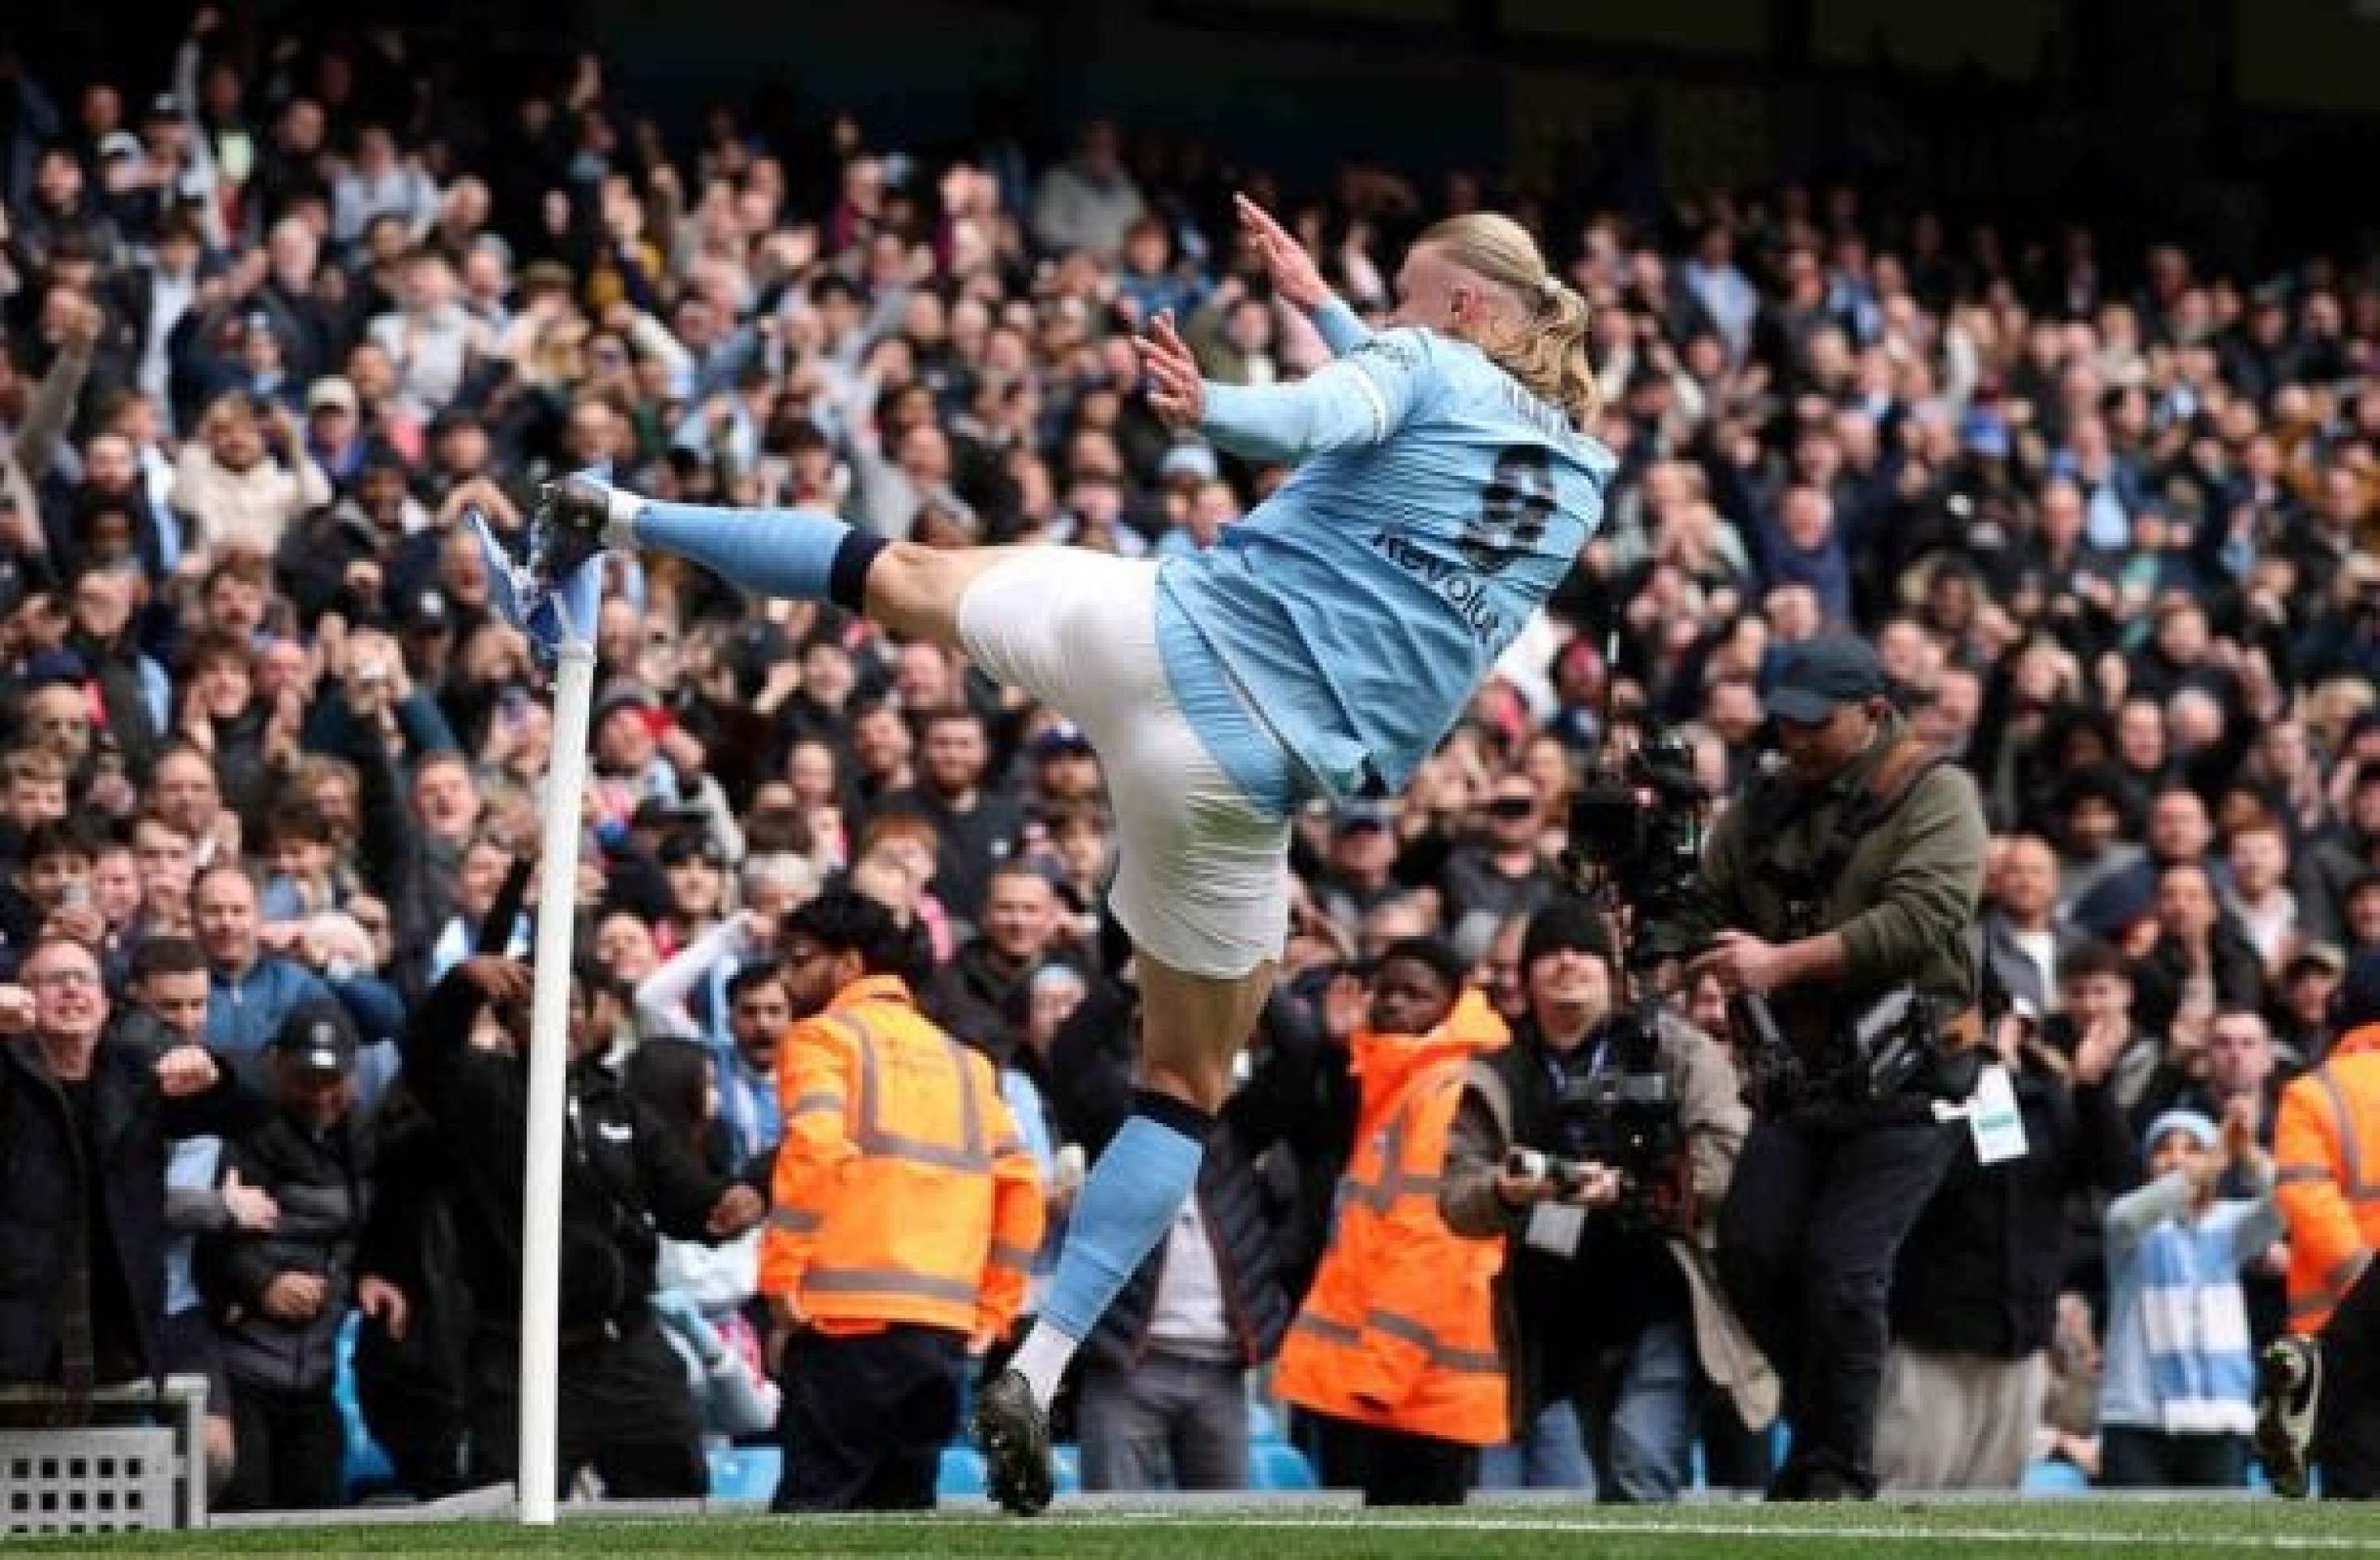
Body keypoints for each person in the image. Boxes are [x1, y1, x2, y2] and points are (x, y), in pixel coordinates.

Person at [525, 194, 1610, 1512]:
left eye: (1397, 297)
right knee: (1181, 1086)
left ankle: (617, 514)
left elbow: (1327, 413)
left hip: (1153, 633)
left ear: (1457, 309)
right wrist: (1319, 302)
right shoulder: (1575, 477)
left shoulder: (1423, 361)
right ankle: (1035, 1367)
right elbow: (1411, 416)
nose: (1376, 317)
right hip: (1237, 777)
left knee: (897, 573)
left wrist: (1208, 404)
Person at [1681, 632, 1990, 1500]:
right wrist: (1659, 906)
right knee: (1748, 1249)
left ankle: (1836, 1469)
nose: (1794, 738)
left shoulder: (1939, 793)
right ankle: (1827, 1433)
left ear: (1876, 714)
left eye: (1816, 723)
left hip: (1912, 1073)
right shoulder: (1765, 804)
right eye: (1784, 721)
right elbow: (1708, 902)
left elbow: (1924, 915)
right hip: (1802, 1074)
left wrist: (1782, 963)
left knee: (1845, 1268)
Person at [394, 955, 764, 1496]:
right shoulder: (476, 1091)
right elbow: (426, 1051)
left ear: (589, 1017)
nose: (555, 1018)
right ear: (506, 1022)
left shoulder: (619, 1107)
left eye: (568, 1005)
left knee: (676, 1506)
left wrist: (730, 1202)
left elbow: (685, 1193)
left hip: (625, 1349)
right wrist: (458, 987)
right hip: (516, 1359)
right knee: (503, 1519)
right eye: (532, 1006)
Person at [1440, 900, 1772, 1502]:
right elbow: (1455, 1196)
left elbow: (1729, 1153)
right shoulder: (1493, 1075)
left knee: (1638, 1460)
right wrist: (1506, 1190)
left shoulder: (1673, 1049)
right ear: (1524, 975)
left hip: (1668, 1293)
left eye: (1584, 951)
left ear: (1611, 971)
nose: (1567, 962)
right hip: (1563, 1311)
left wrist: (1631, 1187)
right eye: (1548, 952)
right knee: (1609, 1476)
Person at [758, 890, 1044, 1511]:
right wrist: (994, 1308)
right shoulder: (965, 1062)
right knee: (902, 1518)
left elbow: (814, 1150)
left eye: (799, 958)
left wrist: (781, 1280)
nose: (786, 976)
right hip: (941, 1331)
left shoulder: (823, 1039)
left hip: (844, 1319)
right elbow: (1021, 1188)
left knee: (813, 1516)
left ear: (847, 964)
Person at [1276, 938, 1508, 1505]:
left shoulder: (1444, 1090)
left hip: (1414, 1383)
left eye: (1417, 994)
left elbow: (1430, 1244)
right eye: (1387, 990)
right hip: (1390, 1376)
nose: (1395, 1005)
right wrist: (1338, 1050)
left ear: (1450, 1005)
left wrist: (1381, 1372)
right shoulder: (1393, 1084)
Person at [0, 934, 257, 1398]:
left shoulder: (137, 1074)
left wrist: (213, 1076)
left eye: (84, 980)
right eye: (56, 980)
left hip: (117, 1339)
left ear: (104, 1004)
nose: (73, 990)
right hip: (19, 1338)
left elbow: (250, 1112)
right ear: (22, 999)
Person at [198, 998, 404, 1511]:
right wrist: (262, 1283)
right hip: (240, 1371)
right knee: (244, 1520)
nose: (320, 1095)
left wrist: (373, 1273)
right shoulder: (243, 1129)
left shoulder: (364, 1134)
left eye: (332, 1080)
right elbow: (203, 1245)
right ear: (277, 1068)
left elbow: (375, 1226)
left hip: (315, 1377)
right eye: (305, 1079)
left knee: (318, 1517)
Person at [2098, 1102, 2280, 1488]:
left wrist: (2247, 1157)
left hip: (2219, 1417)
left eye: (2192, 1148)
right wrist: (2199, 1171)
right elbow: (2124, 1220)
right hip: (2137, 1419)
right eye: (2164, 1149)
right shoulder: (2133, 1222)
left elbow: (2290, 1202)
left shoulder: (2231, 1224)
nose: (2177, 1158)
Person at [2258, 953, 2380, 1498]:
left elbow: (2304, 1194)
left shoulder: (2312, 1091)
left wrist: (2363, 1290)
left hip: (2334, 1324)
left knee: (2353, 1491)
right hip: (2349, 1320)